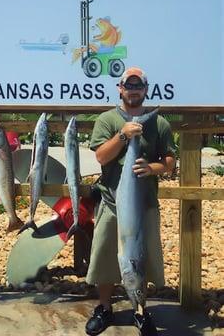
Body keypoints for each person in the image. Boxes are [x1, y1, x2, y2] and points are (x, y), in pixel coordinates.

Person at [85, 67, 176, 336]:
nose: (134, 90)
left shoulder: (160, 124)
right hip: (113, 202)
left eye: (139, 86)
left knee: (142, 256)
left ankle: (140, 309)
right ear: (120, 88)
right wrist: (124, 135)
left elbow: (169, 162)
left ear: (145, 90)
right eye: (129, 85)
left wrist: (152, 169)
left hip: (144, 203)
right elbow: (101, 157)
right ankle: (104, 308)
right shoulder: (107, 120)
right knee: (104, 256)